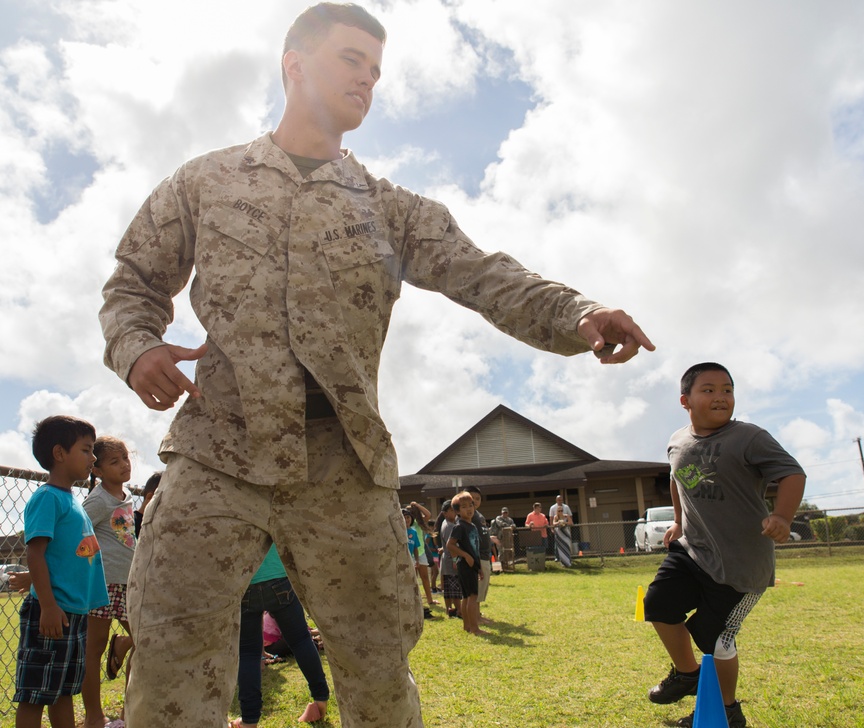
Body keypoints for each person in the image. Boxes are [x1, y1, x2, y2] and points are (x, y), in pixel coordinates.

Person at [98, 4, 653, 726]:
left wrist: (575, 313)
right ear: (294, 63)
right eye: (351, 59)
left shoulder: (390, 210)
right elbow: (133, 283)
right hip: (218, 453)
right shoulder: (207, 182)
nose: (368, 79)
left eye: (377, 70)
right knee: (170, 662)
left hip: (343, 464)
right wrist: (137, 347)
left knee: (379, 670)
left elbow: (482, 274)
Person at [642, 363, 806, 728]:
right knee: (658, 605)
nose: (720, 396)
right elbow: (678, 478)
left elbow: (792, 473)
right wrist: (680, 521)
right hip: (693, 550)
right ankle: (687, 674)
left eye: (727, 389)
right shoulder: (677, 440)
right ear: (686, 400)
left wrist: (782, 516)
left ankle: (728, 711)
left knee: (714, 641)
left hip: (741, 565)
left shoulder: (749, 437)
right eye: (709, 389)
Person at [15, 416, 109, 728]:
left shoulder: (73, 500)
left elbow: (61, 557)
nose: (92, 458)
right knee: (36, 694)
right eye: (86, 450)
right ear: (59, 453)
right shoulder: (47, 498)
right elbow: (35, 552)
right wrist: (49, 606)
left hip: (74, 613)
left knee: (63, 691)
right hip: (52, 613)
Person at [230, 544, 330, 728]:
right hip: (279, 577)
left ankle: (249, 721)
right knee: (301, 639)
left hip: (245, 581)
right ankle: (320, 700)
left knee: (248, 653)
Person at [81, 436, 138, 728]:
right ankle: (94, 716)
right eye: (114, 462)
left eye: (125, 458)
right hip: (102, 585)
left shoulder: (126, 495)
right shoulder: (98, 499)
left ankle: (132, 715)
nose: (123, 465)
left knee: (145, 642)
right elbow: (78, 531)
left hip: (129, 584)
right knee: (94, 650)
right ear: (98, 470)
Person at [446, 492, 484, 635]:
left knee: (467, 596)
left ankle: (467, 626)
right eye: (463, 507)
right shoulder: (459, 526)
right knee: (472, 597)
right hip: (465, 564)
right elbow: (450, 545)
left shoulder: (472, 526)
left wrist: (479, 567)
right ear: (457, 511)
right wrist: (465, 555)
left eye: (471, 505)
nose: (469, 509)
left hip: (472, 565)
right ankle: (475, 628)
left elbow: (475, 548)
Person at [465, 487, 493, 612]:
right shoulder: (467, 516)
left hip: (485, 556)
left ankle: (478, 615)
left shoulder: (478, 515)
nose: (475, 501)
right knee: (475, 592)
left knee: (481, 590)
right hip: (477, 557)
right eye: (472, 498)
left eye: (478, 499)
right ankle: (475, 618)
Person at [437, 502, 462, 619]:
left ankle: (449, 610)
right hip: (451, 561)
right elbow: (451, 546)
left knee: (448, 589)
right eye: (451, 510)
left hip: (446, 560)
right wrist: (455, 560)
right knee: (455, 589)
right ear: (444, 513)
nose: (454, 512)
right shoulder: (449, 526)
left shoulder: (446, 523)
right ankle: (459, 611)